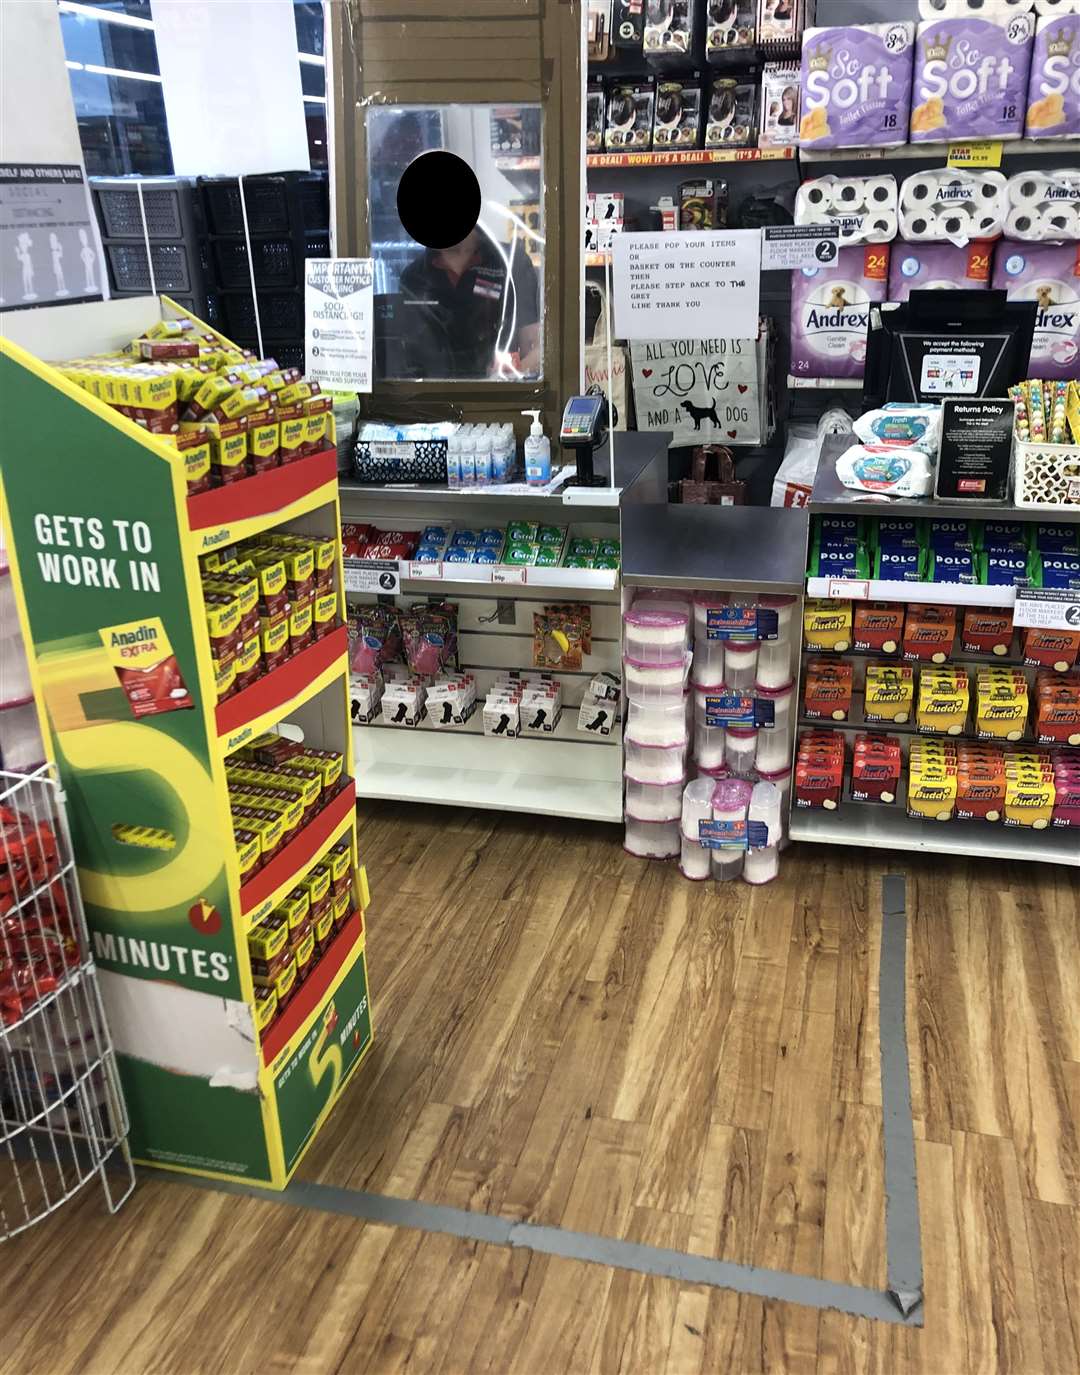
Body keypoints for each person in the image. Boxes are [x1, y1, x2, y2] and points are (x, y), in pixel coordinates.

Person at [397, 225, 541, 380]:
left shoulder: (511, 261)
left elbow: (534, 346)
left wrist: (509, 379)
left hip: (502, 397)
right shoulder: (413, 277)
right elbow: (411, 356)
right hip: (433, 397)